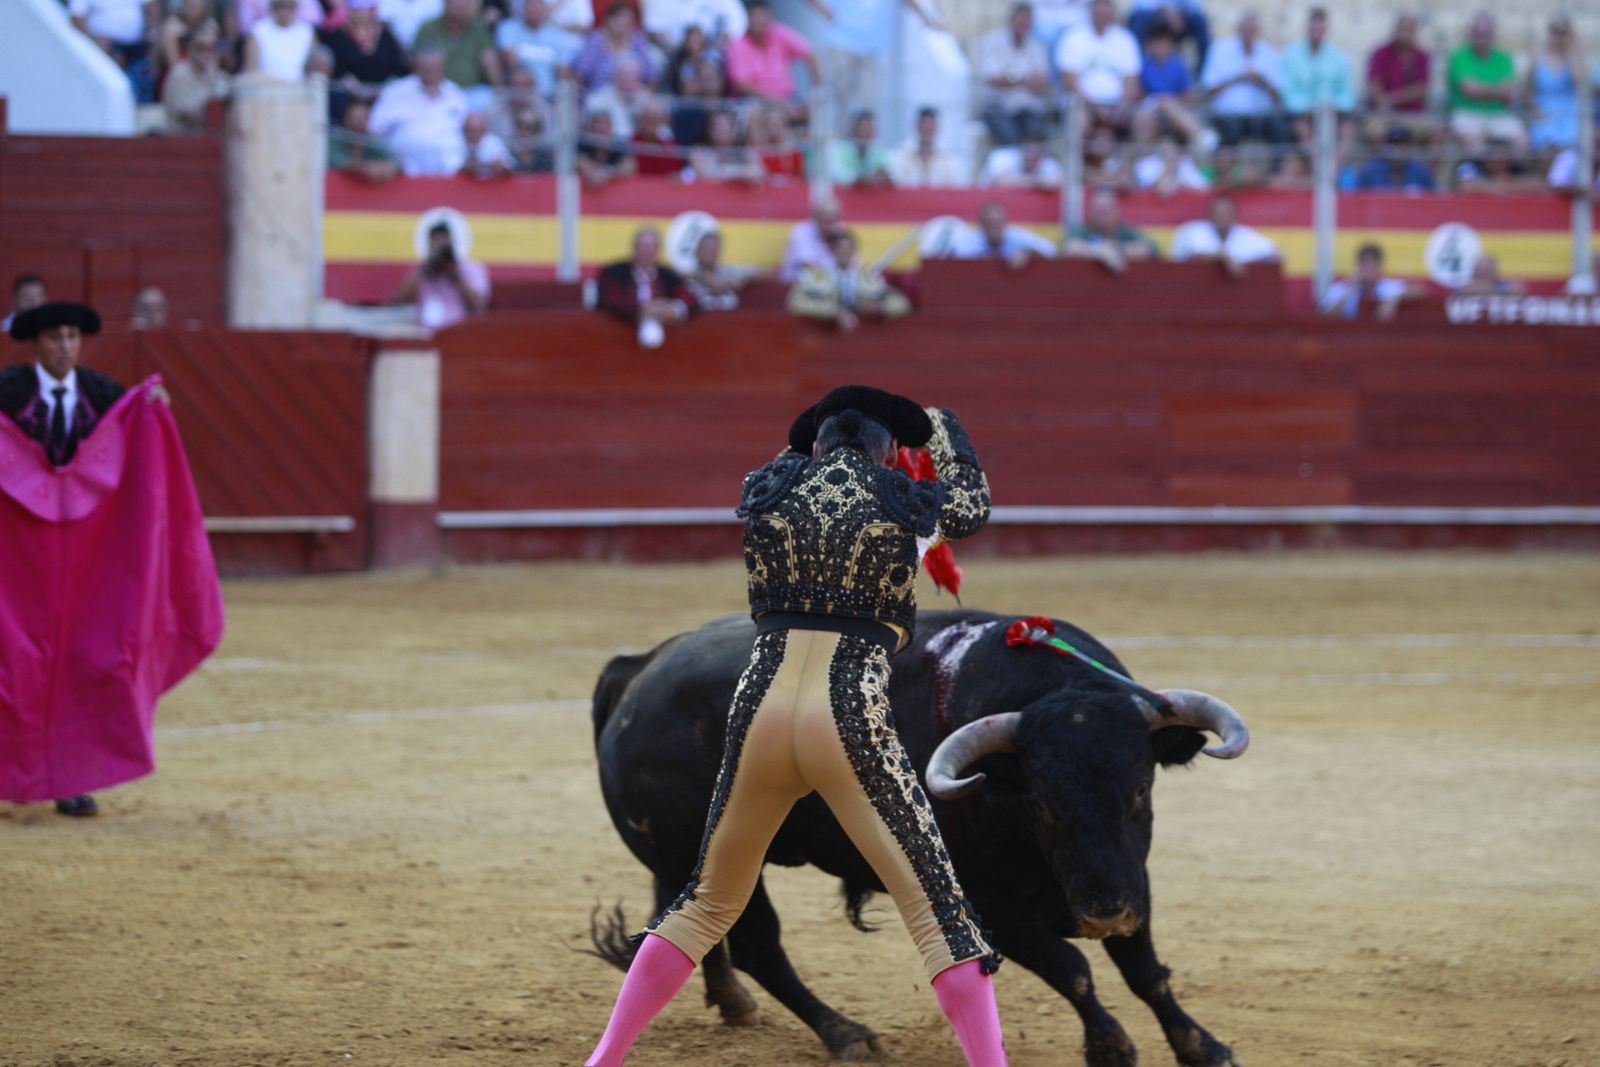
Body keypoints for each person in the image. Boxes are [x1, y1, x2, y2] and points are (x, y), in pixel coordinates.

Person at [580, 384, 1004, 1067]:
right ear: (891, 451)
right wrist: (939, 424)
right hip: (850, 715)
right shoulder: (904, 500)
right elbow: (971, 500)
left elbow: (789, 459)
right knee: (940, 915)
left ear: (812, 446)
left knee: (704, 902)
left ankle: (602, 1060)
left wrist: (813, 433)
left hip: (759, 710)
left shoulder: (765, 488)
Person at [0, 302, 223, 821]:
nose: (65, 346)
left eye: (73, 336)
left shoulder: (102, 393)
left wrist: (153, 407)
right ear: (35, 344)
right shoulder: (7, 392)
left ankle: (70, 781)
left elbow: (134, 428)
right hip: (15, 561)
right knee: (11, 664)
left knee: (82, 661)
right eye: (55, 337)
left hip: (87, 565)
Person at [369, 47, 471, 175]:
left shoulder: (456, 95)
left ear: (443, 68)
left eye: (434, 68)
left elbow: (469, 133)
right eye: (425, 69)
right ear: (415, 68)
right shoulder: (396, 92)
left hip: (450, 174)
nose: (430, 73)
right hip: (405, 173)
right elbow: (374, 129)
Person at [594, 226, 697, 348]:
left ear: (658, 250)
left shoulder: (668, 275)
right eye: (643, 245)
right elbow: (609, 300)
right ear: (634, 248)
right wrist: (643, 309)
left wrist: (673, 309)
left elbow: (691, 299)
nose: (647, 251)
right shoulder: (614, 272)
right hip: (617, 340)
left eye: (652, 246)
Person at [1200, 11, 1285, 155]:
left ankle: (1278, 173)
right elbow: (1209, 89)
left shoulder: (1269, 53)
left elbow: (1278, 93)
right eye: (1246, 30)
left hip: (1261, 116)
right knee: (1230, 130)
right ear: (1238, 30)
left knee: (1280, 130)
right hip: (1228, 115)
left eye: (1252, 31)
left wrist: (1261, 80)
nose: (1249, 35)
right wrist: (1239, 78)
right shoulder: (1220, 50)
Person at [788, 231, 910, 331]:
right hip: (823, 334)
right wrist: (832, 312)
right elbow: (795, 302)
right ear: (832, 251)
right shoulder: (817, 276)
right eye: (840, 248)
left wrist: (880, 308)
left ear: (854, 252)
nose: (845, 252)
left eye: (848, 248)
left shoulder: (868, 278)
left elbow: (901, 303)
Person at [1055, 0, 1142, 140]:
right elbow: (1069, 82)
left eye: (1106, 12)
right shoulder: (1074, 37)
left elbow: (1132, 81)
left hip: (1117, 104)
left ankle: (1141, 161)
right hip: (1084, 104)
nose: (1103, 15)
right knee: (1079, 119)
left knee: (1143, 119)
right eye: (1099, 11)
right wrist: (1097, 109)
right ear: (1091, 12)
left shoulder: (1125, 39)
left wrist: (1121, 107)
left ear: (1113, 14)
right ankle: (1074, 161)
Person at [1447, 15, 1527, 157]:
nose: (1482, 39)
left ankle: (1513, 178)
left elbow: (1509, 91)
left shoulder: (1504, 58)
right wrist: (1497, 91)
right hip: (1468, 114)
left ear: (1492, 36)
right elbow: (1467, 89)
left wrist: (1480, 90)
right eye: (1478, 34)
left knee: (1521, 141)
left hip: (1499, 115)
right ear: (1471, 35)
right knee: (1473, 144)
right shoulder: (1459, 57)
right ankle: (1478, 178)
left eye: (1485, 35)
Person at [977, 3, 1053, 147]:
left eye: (1027, 21)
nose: (1023, 24)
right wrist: (1026, 81)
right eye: (1020, 20)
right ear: (1011, 20)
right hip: (998, 107)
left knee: (1037, 138)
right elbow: (993, 79)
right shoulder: (992, 42)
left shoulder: (1037, 47)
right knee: (1010, 141)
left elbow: (1043, 82)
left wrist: (1011, 80)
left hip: (1028, 108)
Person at [725, 0, 819, 117]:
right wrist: (777, 102)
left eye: (763, 15)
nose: (759, 20)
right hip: (753, 103)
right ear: (747, 17)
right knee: (758, 113)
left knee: (816, 110)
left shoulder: (780, 33)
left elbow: (809, 53)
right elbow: (742, 86)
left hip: (788, 99)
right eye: (755, 16)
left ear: (769, 17)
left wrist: (816, 92)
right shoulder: (738, 45)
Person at [1280, 7, 1355, 149]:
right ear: (1307, 27)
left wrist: (1336, 107)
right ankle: (1318, 167)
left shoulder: (1338, 58)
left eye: (1320, 25)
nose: (1316, 29)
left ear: (1326, 29)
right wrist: (1308, 110)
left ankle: (1332, 170)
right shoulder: (1291, 55)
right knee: (1301, 127)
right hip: (1302, 115)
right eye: (1313, 24)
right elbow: (1287, 91)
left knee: (1348, 130)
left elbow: (1346, 92)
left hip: (1332, 114)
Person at [394, 221, 491, 329]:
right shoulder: (421, 270)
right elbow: (400, 300)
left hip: (458, 332)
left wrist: (453, 273)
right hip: (425, 332)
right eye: (435, 243)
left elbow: (479, 305)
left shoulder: (470, 268)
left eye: (443, 243)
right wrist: (426, 266)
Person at [414, 0, 505, 103]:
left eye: (464, 5)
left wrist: (499, 91)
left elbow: (489, 59)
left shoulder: (477, 26)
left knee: (490, 100)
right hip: (438, 91)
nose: (460, 8)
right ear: (445, 4)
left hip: (471, 91)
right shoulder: (428, 29)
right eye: (456, 4)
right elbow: (420, 65)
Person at [323, 0, 410, 106]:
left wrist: (381, 90)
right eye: (355, 7)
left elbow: (399, 69)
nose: (359, 11)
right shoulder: (337, 37)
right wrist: (358, 90)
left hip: (384, 96)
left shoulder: (387, 36)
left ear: (373, 9)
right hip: (349, 98)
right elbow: (336, 71)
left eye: (363, 7)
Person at [69, 0, 158, 102]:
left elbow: (151, 5)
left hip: (138, 45)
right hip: (106, 48)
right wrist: (92, 41)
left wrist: (153, 35)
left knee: (145, 78)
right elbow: (76, 17)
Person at [1169, 193, 1279, 273]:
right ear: (1210, 215)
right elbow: (1196, 255)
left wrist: (1248, 264)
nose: (1224, 217)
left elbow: (1273, 255)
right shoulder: (1194, 230)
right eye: (1219, 213)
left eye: (1227, 213)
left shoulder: (1244, 234)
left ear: (1234, 215)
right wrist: (1225, 259)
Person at [1365, 14, 1432, 139]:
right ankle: (1383, 158)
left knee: (1436, 132)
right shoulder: (1380, 54)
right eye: (1402, 29)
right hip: (1383, 114)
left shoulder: (1422, 56)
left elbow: (1421, 90)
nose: (1405, 34)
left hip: (1413, 116)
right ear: (1394, 30)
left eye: (1409, 30)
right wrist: (1384, 105)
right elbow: (1374, 85)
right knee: (1374, 130)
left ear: (1414, 32)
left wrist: (1391, 100)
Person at [1134, 24, 1202, 147]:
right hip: (1149, 109)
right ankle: (1199, 135)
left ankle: (1196, 136)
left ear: (1170, 45)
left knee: (1167, 103)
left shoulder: (1179, 65)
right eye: (1156, 44)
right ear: (1149, 45)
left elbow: (1188, 96)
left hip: (1174, 111)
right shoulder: (1142, 64)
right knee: (1146, 115)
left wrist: (1170, 103)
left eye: (1163, 44)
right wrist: (1158, 101)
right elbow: (1137, 92)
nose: (1160, 48)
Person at [1318, 243, 1424, 321]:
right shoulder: (1342, 288)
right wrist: (1348, 290)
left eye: (1373, 266)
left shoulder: (1388, 287)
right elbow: (1327, 316)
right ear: (1358, 266)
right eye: (1366, 265)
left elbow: (1420, 291)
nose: (1369, 270)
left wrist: (1393, 299)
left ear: (1380, 267)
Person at [496, 0, 579, 97]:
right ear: (523, 8)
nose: (534, 9)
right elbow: (510, 62)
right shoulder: (508, 28)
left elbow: (563, 69)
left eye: (538, 5)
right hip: (518, 94)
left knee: (568, 89)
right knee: (520, 78)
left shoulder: (557, 35)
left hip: (548, 96)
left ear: (545, 9)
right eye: (531, 5)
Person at [1063, 186, 1158, 271]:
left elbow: (1149, 249)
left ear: (1117, 211)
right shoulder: (1081, 230)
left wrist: (1115, 249)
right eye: (1099, 210)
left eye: (1107, 210)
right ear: (1090, 212)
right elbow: (1068, 248)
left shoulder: (1126, 230)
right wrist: (1100, 251)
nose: (1102, 215)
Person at [162, 19, 232, 132]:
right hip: (183, 143)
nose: (206, 52)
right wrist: (212, 82)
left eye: (211, 47)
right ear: (190, 48)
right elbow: (191, 115)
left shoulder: (220, 77)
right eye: (201, 47)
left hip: (213, 143)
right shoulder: (179, 75)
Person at [572, 1, 656, 93]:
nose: (623, 22)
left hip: (631, 95)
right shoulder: (596, 40)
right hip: (601, 93)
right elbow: (581, 73)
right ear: (608, 19)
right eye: (619, 18)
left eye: (627, 18)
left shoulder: (637, 40)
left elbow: (651, 74)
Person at [1527, 15, 1581, 154]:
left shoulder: (1574, 60)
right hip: (1544, 113)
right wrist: (1536, 111)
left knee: (1571, 143)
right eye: (1556, 32)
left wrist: (1571, 50)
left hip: (1569, 114)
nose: (1559, 37)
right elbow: (1527, 91)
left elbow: (1578, 83)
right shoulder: (1537, 59)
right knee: (1547, 143)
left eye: (1564, 32)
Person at [948, 199, 1055, 270]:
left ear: (1005, 223)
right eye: (989, 224)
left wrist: (1027, 252)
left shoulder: (1015, 235)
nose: (994, 229)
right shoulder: (968, 241)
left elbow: (1049, 249)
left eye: (997, 224)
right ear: (981, 224)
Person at [890, 106, 965, 188]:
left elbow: (954, 188)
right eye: (924, 125)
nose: (927, 128)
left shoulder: (949, 159)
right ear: (917, 126)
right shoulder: (900, 156)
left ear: (937, 127)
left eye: (931, 126)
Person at [329, 98, 401, 180]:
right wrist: (365, 167)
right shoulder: (334, 140)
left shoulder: (373, 142)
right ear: (344, 119)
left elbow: (397, 160)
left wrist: (390, 166)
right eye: (354, 117)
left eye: (363, 117)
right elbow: (337, 161)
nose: (359, 122)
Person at [1127, 0, 1209, 71]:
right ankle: (1135, 70)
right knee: (1138, 18)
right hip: (1154, 15)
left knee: (1198, 20)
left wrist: (1176, 14)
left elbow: (1195, 5)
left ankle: (1203, 72)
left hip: (1180, 18)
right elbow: (1140, 4)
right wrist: (1167, 11)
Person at [688, 109, 765, 184]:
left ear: (734, 129)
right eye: (718, 126)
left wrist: (730, 171)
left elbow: (759, 171)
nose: (723, 129)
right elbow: (706, 174)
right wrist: (741, 171)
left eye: (727, 125)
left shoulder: (743, 149)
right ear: (709, 130)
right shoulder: (699, 151)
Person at [244, 0, 315, 81]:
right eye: (281, 6)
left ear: (296, 7)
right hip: (265, 86)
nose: (285, 11)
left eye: (290, 6)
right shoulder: (258, 30)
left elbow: (312, 68)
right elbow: (251, 69)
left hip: (298, 87)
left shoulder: (307, 31)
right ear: (272, 7)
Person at [683, 230, 755, 310]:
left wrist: (731, 282)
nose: (711, 252)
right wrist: (703, 277)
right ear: (697, 250)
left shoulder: (728, 272)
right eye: (707, 247)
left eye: (715, 248)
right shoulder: (686, 273)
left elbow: (763, 274)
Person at [779, 196, 844, 282]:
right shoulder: (801, 231)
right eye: (825, 218)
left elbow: (851, 261)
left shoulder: (841, 231)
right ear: (815, 216)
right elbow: (808, 265)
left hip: (827, 285)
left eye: (832, 219)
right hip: (795, 285)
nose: (829, 223)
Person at [828, 109, 895, 189]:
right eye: (863, 127)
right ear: (853, 129)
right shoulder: (838, 149)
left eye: (869, 127)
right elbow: (838, 175)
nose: (866, 131)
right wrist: (864, 179)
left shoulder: (878, 150)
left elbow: (891, 174)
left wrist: (886, 176)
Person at [576, 109, 638, 186]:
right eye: (597, 123)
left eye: (605, 124)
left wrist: (607, 173)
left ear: (611, 127)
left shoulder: (618, 144)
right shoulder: (583, 142)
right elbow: (579, 161)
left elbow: (629, 166)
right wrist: (592, 172)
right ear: (590, 128)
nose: (601, 128)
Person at [977, 137, 1063, 189]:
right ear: (1021, 150)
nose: (1032, 156)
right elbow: (1000, 180)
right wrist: (1034, 182)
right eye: (1029, 151)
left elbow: (1061, 181)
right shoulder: (1003, 156)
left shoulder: (1048, 163)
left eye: (1036, 153)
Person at [1453, 254, 1525, 296]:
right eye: (1480, 271)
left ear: (1493, 273)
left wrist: (1492, 290)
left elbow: (1519, 291)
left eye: (1486, 271)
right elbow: (1456, 294)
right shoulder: (1465, 287)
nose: (1483, 274)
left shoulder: (1501, 285)